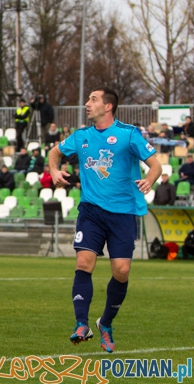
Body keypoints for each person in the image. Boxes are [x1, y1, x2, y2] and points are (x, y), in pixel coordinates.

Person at [49, 87, 160, 353]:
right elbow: (55, 152)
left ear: (108, 106)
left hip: (123, 213)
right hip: (91, 211)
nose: (87, 104)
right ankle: (81, 324)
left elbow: (156, 165)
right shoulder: (81, 136)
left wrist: (150, 179)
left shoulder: (128, 134)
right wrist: (54, 170)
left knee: (121, 271)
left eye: (93, 100)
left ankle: (105, 323)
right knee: (84, 261)